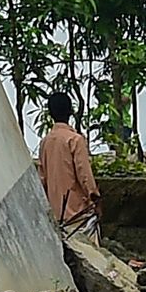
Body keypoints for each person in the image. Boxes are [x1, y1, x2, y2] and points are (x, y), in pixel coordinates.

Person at [37, 88, 104, 238]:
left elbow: (42, 178)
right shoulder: (75, 140)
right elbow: (84, 174)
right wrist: (95, 197)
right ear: (71, 112)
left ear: (51, 114)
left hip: (55, 212)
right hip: (77, 212)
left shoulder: (45, 142)